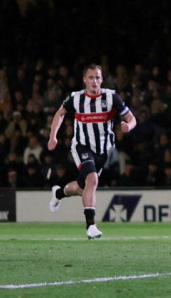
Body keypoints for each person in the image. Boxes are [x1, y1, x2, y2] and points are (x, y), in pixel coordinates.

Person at [47, 64, 136, 239]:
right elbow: (60, 113)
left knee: (83, 187)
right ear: (84, 80)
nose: (94, 81)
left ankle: (58, 193)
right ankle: (91, 226)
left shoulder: (111, 97)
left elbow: (131, 118)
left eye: (97, 77)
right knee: (92, 179)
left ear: (102, 80)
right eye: (91, 77)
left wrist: (129, 126)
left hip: (103, 150)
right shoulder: (76, 98)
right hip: (81, 146)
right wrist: (53, 137)